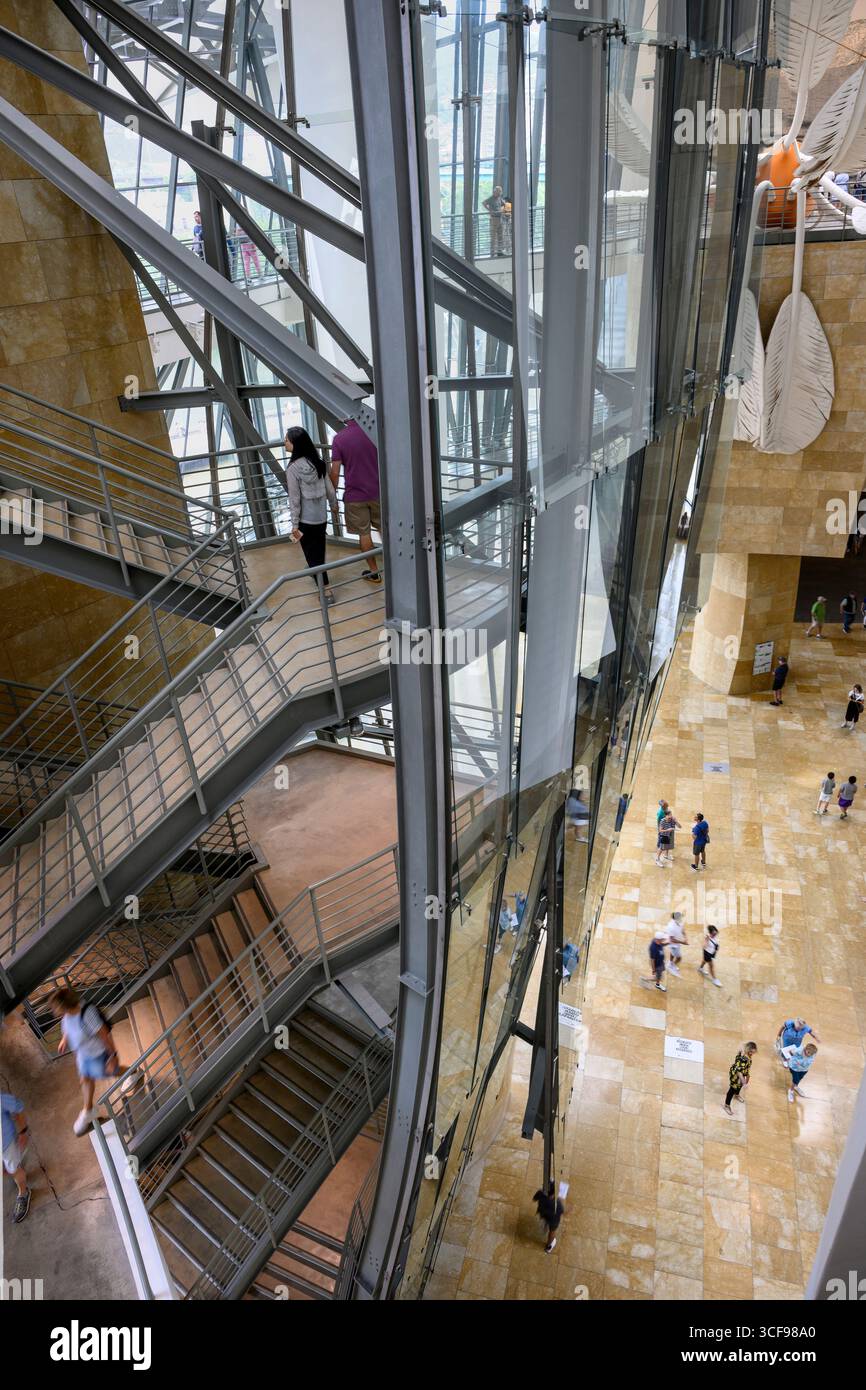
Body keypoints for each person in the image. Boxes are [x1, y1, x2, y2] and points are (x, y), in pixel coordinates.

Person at [51, 988, 138, 1136]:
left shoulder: (87, 1014)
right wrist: (64, 1039)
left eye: (57, 1008)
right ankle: (88, 1110)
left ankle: (134, 1071)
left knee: (112, 1071)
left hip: (98, 1053)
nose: (54, 1011)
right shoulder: (67, 1015)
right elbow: (67, 1026)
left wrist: (112, 1057)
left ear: (66, 1006)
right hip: (83, 1054)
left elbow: (104, 1035)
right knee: (85, 1079)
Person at [285, 427, 340, 606]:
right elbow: (330, 488)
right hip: (321, 518)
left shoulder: (293, 469)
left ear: (295, 444)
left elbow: (294, 500)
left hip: (305, 521)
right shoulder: (319, 462)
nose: (284, 442)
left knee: (311, 555)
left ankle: (327, 590)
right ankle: (318, 574)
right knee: (319, 550)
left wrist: (294, 525)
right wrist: (334, 505)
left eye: (287, 440)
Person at [330, 418, 382, 583]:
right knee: (386, 530)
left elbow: (335, 472)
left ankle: (374, 572)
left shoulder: (340, 439)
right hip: (379, 492)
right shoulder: (375, 432)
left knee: (364, 534)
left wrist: (333, 496)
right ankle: (398, 565)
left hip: (355, 496)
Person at [1, 1091, 31, 1222]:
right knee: (7, 1171)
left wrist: (23, 1132)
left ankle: (23, 1193)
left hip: (6, 1145)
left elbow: (17, 1107)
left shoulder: (1, 1099)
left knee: (15, 1171)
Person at [723, 1041, 757, 1115]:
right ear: (748, 1049)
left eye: (753, 1052)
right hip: (736, 1075)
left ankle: (736, 1094)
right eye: (751, 1052)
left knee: (740, 1085)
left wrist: (747, 1076)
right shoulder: (743, 1059)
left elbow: (742, 1044)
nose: (752, 1054)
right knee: (732, 1089)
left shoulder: (745, 1053)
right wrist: (744, 1082)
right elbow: (739, 1072)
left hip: (743, 1073)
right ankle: (726, 1105)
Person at [532, 1181, 564, 1253]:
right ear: (553, 1194)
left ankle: (545, 1223)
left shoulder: (540, 1193)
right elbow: (562, 1212)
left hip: (543, 1214)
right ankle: (549, 1246)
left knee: (548, 1224)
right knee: (552, 1232)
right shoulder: (557, 1204)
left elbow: (534, 1199)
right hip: (553, 1220)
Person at [483, 185, 508, 256]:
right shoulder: (491, 198)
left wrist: (503, 210)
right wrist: (489, 210)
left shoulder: (499, 198)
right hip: (494, 219)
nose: (499, 193)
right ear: (495, 192)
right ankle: (492, 253)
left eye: (500, 192)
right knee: (493, 237)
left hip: (500, 218)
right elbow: (484, 203)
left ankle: (500, 251)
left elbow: (504, 204)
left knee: (501, 236)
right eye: (498, 192)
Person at [643, 929, 668, 993]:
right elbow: (652, 960)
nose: (663, 940)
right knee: (657, 977)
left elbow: (662, 944)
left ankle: (657, 981)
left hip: (660, 962)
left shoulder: (657, 941)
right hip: (657, 965)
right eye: (662, 939)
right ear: (658, 940)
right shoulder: (653, 948)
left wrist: (669, 942)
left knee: (659, 976)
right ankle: (646, 980)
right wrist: (653, 970)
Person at [666, 911, 688, 978]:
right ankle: (671, 967)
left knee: (672, 954)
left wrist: (685, 937)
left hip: (678, 942)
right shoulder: (671, 927)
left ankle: (670, 963)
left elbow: (682, 929)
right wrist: (683, 942)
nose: (681, 919)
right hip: (674, 945)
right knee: (679, 958)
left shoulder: (679, 921)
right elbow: (672, 939)